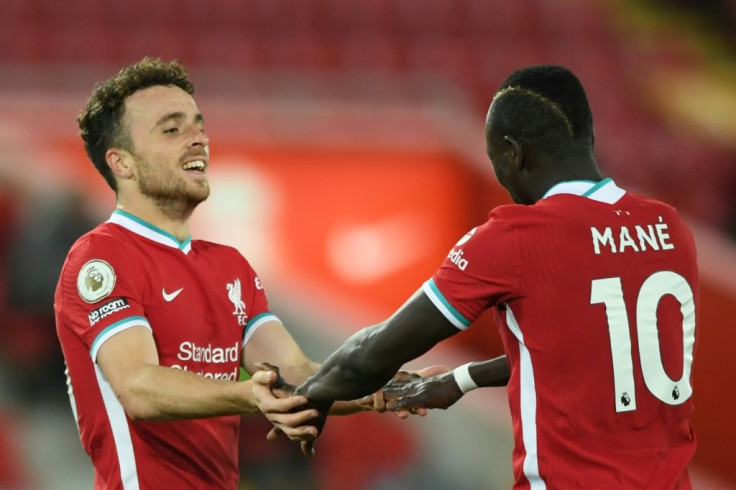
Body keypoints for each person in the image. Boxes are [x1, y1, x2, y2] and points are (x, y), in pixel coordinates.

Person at [256, 65, 698, 489]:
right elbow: (591, 353)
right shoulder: (669, 228)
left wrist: (309, 397)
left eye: (495, 160)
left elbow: (369, 357)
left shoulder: (517, 237)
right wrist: (462, 379)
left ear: (514, 152)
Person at [54, 57, 389, 490]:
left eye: (198, 125)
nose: (199, 139)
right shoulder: (101, 257)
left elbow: (297, 373)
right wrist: (250, 394)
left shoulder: (230, 265)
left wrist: (389, 390)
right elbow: (138, 387)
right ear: (122, 163)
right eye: (172, 129)